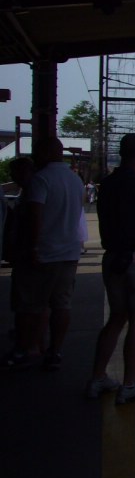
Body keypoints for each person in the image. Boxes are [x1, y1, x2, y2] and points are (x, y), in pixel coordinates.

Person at [87, 133, 135, 404]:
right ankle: (130, 384)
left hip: (112, 258)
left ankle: (97, 377)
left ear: (121, 154)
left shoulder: (107, 183)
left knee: (116, 318)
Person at [24, 137, 84, 370]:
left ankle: (32, 347)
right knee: (62, 304)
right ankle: (55, 350)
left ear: (46, 153)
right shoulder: (75, 179)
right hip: (70, 251)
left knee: (36, 305)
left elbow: (34, 216)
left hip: (45, 251)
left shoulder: (41, 179)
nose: (34, 155)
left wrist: (32, 247)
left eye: (37, 150)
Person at [3, 157, 38, 367]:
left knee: (27, 303)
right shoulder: (28, 192)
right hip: (29, 254)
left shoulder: (33, 193)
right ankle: (31, 342)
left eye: (17, 172)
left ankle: (27, 345)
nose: (14, 177)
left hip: (28, 255)